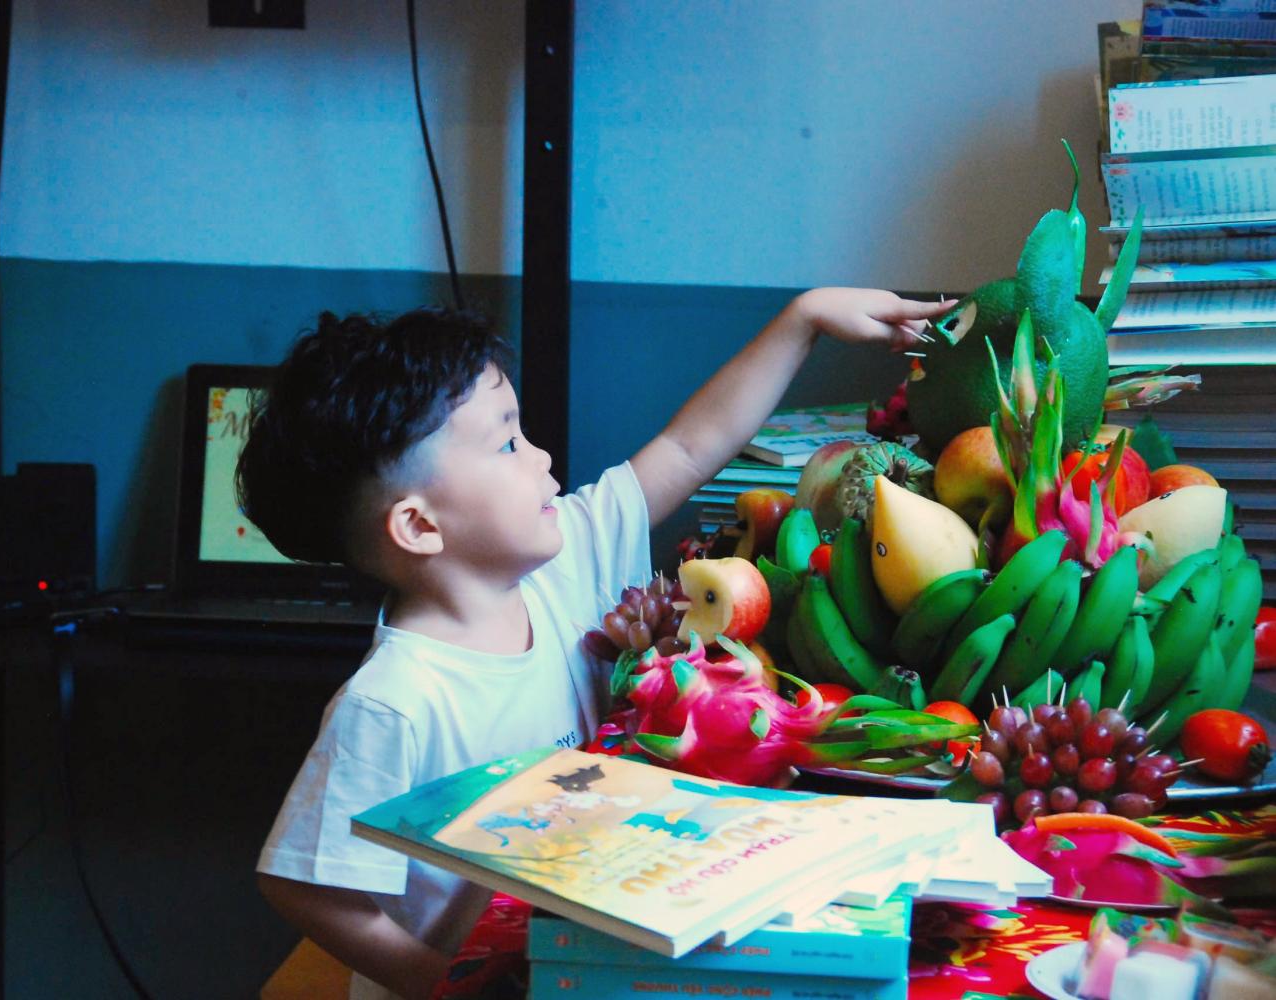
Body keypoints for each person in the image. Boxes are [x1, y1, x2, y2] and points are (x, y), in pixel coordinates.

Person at [236, 290, 955, 1000]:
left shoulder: (559, 562)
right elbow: (304, 884)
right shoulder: (396, 700)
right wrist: (436, 979)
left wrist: (805, 320)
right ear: (420, 526)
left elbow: (687, 445)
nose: (543, 457)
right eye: (508, 443)